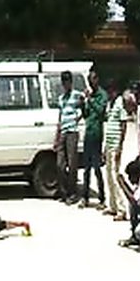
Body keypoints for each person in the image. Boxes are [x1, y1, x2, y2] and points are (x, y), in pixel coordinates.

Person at [79, 70, 107, 209]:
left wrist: (90, 100)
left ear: (97, 79)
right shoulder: (90, 95)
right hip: (88, 133)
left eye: (93, 79)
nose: (91, 83)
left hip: (97, 134)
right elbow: (86, 115)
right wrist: (82, 104)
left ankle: (101, 198)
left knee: (97, 168)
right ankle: (85, 197)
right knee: (86, 168)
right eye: (90, 80)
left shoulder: (102, 95)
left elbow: (101, 112)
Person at [56, 71, 83, 205]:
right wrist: (57, 135)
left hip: (72, 131)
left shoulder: (77, 95)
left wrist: (76, 119)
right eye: (64, 82)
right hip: (63, 131)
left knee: (72, 163)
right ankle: (63, 191)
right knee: (60, 164)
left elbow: (83, 107)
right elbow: (60, 116)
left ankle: (72, 193)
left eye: (67, 81)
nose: (66, 84)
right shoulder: (61, 98)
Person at [102, 80, 128, 221]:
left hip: (116, 145)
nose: (109, 93)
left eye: (111, 90)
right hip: (108, 144)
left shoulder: (120, 103)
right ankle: (112, 205)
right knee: (108, 175)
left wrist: (120, 146)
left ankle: (121, 208)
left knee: (115, 175)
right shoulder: (109, 105)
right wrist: (104, 146)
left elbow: (123, 125)